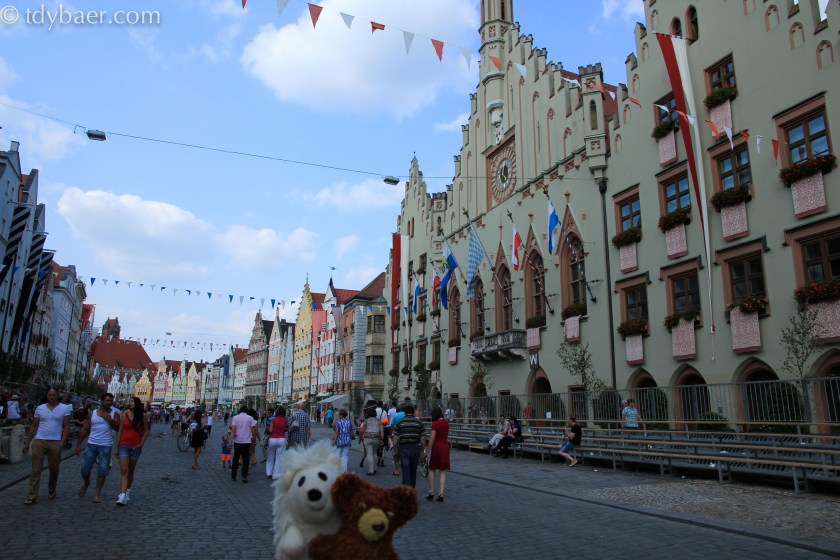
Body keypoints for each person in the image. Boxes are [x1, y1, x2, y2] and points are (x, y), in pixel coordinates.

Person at [22, 388, 71, 504]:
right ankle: (32, 495)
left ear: (57, 396)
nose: (52, 397)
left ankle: (52, 489)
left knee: (54, 469)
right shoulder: (40, 408)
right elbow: (34, 426)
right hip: (40, 440)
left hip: (55, 441)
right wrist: (27, 442)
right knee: (35, 470)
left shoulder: (64, 408)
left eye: (54, 395)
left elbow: (67, 425)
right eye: (49, 395)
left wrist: (62, 442)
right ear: (47, 396)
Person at [76, 393, 120, 504]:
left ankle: (97, 493)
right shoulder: (93, 413)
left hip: (105, 445)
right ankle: (86, 482)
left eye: (111, 401)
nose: (109, 403)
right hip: (91, 444)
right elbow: (85, 429)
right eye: (107, 400)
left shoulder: (115, 414)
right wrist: (78, 445)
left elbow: (118, 428)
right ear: (102, 401)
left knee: (102, 470)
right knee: (84, 469)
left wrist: (110, 421)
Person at [114, 396, 148, 506]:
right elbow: (120, 431)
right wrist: (116, 446)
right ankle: (122, 495)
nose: (130, 403)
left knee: (131, 470)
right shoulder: (124, 415)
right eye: (130, 401)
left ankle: (127, 490)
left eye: (132, 401)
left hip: (135, 446)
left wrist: (141, 443)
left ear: (137, 403)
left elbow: (146, 431)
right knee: (124, 470)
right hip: (123, 445)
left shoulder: (142, 416)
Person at [393, 405, 426, 488]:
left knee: (405, 468)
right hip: (415, 447)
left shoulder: (400, 422)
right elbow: (423, 438)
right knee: (413, 469)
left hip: (403, 448)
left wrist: (395, 450)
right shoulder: (418, 422)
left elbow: (395, 438)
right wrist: (422, 450)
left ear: (405, 412)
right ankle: (412, 488)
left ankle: (407, 488)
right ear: (413, 412)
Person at [425, 406, 450, 502]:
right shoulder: (446, 423)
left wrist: (428, 451)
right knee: (443, 470)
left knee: (432, 469)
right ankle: (441, 493)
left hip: (437, 447)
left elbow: (432, 438)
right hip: (445, 446)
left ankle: (431, 491)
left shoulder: (435, 424)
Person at [230, 403, 258, 483]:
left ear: (240, 410)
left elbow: (233, 430)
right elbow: (253, 430)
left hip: (237, 441)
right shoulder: (250, 418)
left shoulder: (235, 417)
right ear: (246, 411)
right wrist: (253, 440)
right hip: (246, 441)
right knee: (246, 459)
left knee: (236, 458)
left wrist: (230, 441)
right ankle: (244, 476)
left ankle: (233, 475)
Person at [266, 406, 288, 479]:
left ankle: (269, 473)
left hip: (272, 439)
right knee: (279, 457)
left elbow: (271, 430)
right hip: (282, 439)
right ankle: (276, 474)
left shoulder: (274, 420)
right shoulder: (285, 420)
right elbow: (286, 429)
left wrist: (269, 429)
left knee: (270, 456)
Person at [359, 407, 383, 475]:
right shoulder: (379, 420)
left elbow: (362, 430)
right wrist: (382, 438)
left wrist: (360, 438)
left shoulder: (366, 420)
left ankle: (371, 470)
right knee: (374, 453)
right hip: (376, 438)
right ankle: (373, 468)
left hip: (367, 438)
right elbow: (381, 430)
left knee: (369, 453)